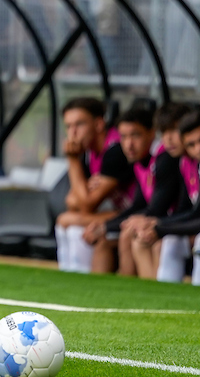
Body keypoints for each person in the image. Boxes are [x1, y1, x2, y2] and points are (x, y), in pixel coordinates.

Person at [56, 104, 150, 274]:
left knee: (71, 224)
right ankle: (69, 279)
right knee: (68, 222)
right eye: (68, 126)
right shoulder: (88, 152)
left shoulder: (115, 150)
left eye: (79, 125)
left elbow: (86, 205)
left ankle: (79, 282)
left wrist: (72, 160)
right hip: (120, 214)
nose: (72, 133)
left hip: (132, 215)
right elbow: (72, 201)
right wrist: (84, 191)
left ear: (99, 124)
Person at [110, 102, 193, 278]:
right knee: (135, 234)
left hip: (193, 228)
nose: (169, 139)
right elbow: (141, 205)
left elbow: (190, 210)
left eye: (174, 131)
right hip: (184, 222)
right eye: (164, 132)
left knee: (157, 242)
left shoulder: (169, 160)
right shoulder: (182, 161)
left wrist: (160, 225)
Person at [138, 111, 200, 285]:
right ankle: (166, 298)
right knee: (171, 240)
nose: (199, 149)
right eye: (191, 145)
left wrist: (162, 229)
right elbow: (198, 211)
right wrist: (161, 226)